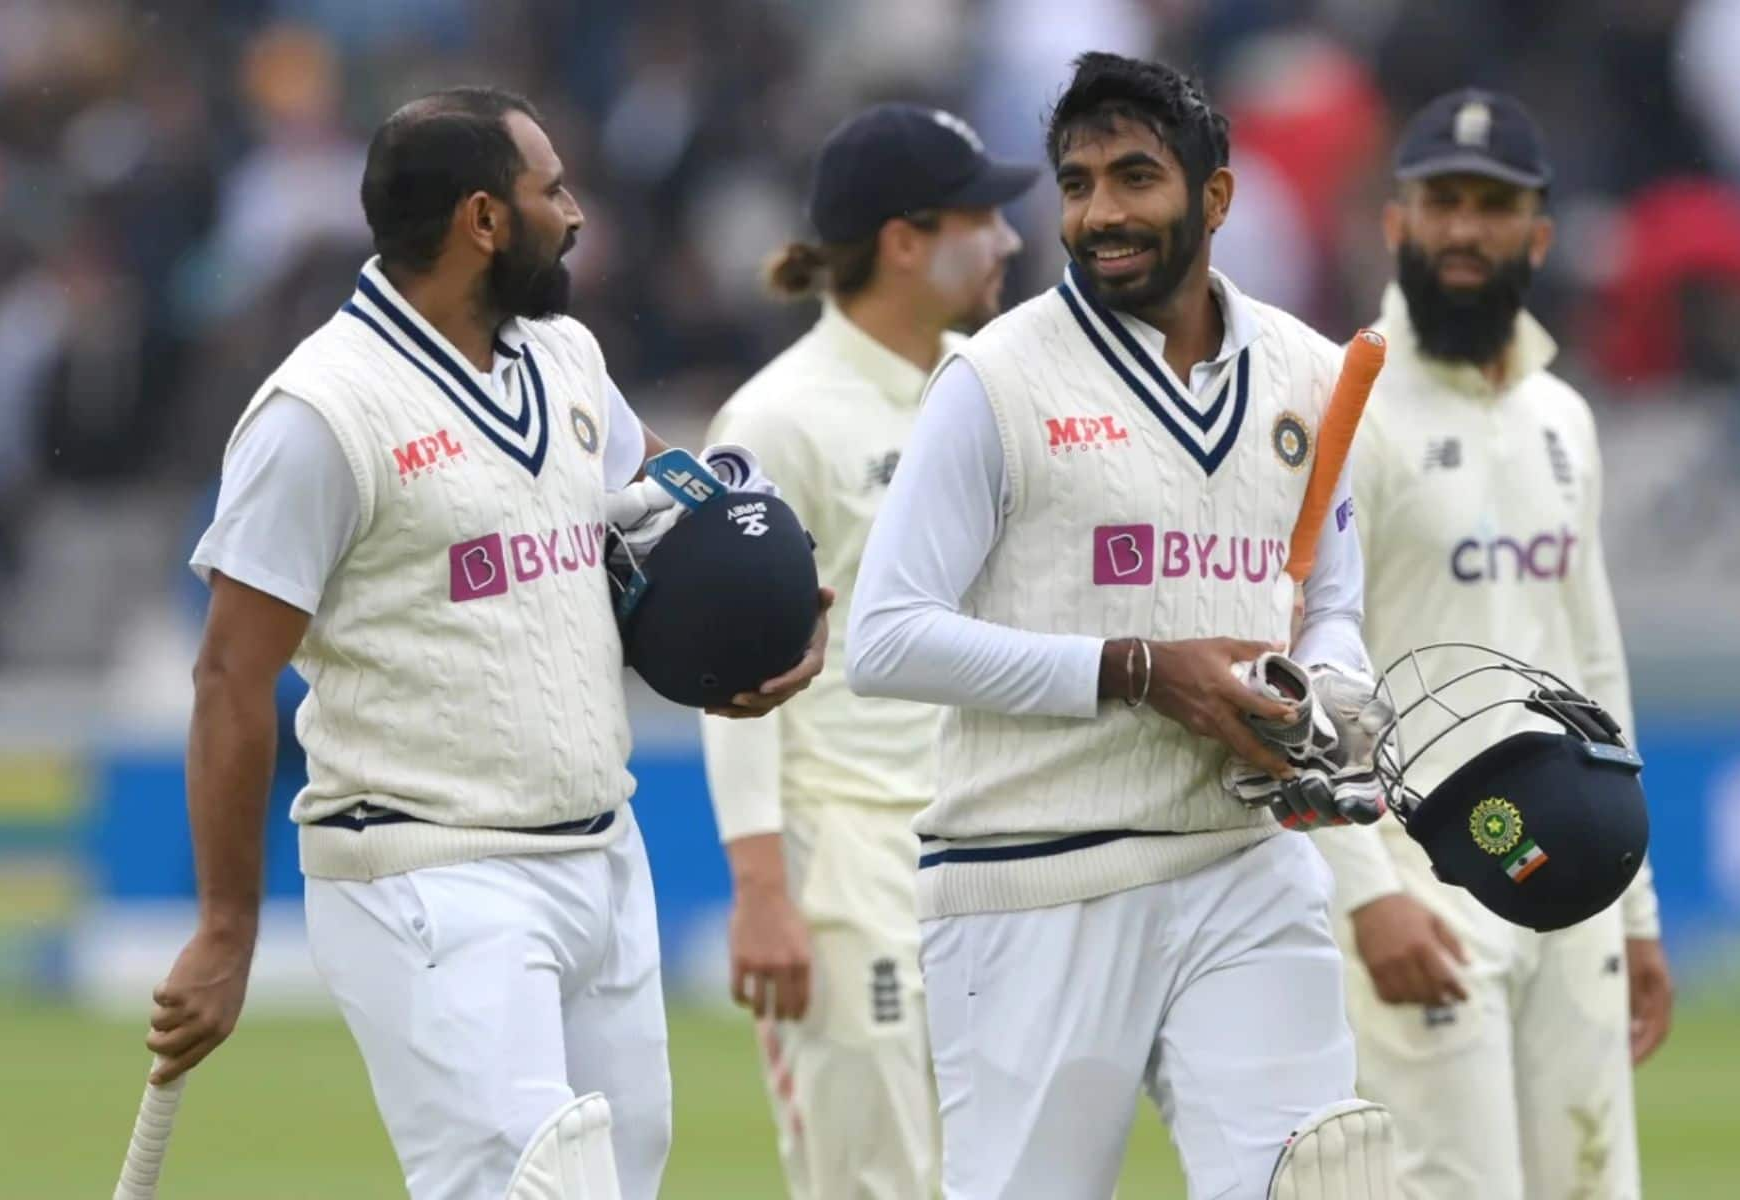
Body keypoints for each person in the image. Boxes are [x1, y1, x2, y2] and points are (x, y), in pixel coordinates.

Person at [142, 86, 829, 1200]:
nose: (579, 213)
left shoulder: (562, 358)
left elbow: (666, 497)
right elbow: (229, 676)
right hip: (427, 871)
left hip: (603, 853)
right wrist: (226, 928)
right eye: (552, 190)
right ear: (482, 220)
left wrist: (770, 595)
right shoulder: (318, 412)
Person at [846, 53, 1392, 1199]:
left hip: (1244, 862)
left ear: (1216, 197)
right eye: (1078, 182)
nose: (1101, 214)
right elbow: (887, 638)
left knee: (1322, 1181)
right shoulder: (993, 380)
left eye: (1136, 177)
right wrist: (1143, 671)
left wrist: (1327, 697)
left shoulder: (1307, 369)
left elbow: (1331, 603)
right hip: (1035, 876)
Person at [1312, 88, 1674, 1200]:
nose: (1463, 230)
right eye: (1440, 203)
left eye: (1491, 205)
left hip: (1573, 878)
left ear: (1540, 233)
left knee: (1589, 1185)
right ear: (1395, 222)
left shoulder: (1561, 416)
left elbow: (1591, 662)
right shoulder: (1342, 402)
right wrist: (1366, 890)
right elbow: (1301, 669)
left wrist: (1638, 902)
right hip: (1427, 874)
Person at [700, 103, 1032, 1198]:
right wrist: (761, 891)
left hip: (983, 845)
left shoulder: (989, 390)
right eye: (984, 216)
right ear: (906, 240)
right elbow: (728, 669)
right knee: (873, 1181)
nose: (1012, 241)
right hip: (841, 859)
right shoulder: (779, 418)